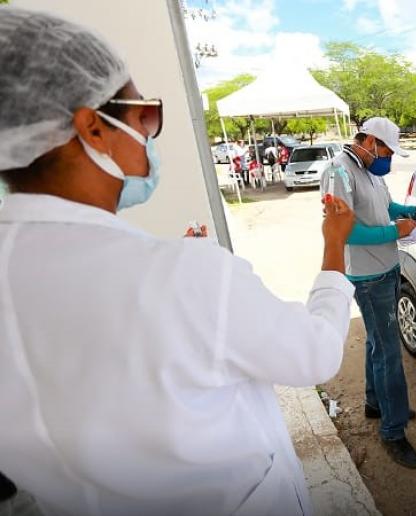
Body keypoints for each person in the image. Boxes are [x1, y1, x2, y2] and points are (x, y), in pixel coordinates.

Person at [0, 8, 355, 516]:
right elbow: (315, 355)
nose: (151, 135)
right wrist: (334, 247)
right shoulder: (185, 275)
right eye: (145, 116)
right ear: (93, 129)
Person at [320, 117, 416, 469]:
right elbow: (345, 232)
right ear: (370, 142)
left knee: (377, 343)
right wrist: (395, 231)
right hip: (367, 277)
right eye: (387, 152)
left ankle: (377, 403)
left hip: (386, 267)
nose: (389, 159)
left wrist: (413, 212)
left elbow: (386, 208)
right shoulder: (339, 172)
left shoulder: (370, 170)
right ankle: (393, 430)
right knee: (388, 353)